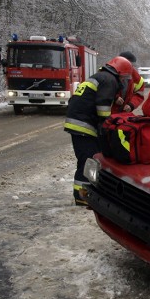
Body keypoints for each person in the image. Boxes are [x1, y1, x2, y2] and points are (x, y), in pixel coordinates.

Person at [64, 56, 133, 205]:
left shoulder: (101, 76)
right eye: (124, 77)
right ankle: (83, 197)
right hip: (83, 124)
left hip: (78, 121)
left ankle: (84, 193)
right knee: (89, 160)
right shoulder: (110, 80)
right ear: (120, 73)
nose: (124, 80)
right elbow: (102, 106)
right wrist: (108, 124)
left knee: (87, 159)